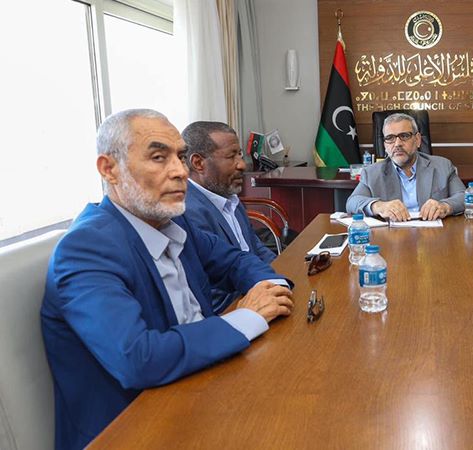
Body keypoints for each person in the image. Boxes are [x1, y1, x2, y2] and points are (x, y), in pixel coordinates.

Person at [41, 109, 294, 450]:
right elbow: (137, 359)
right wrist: (247, 316)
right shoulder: (86, 249)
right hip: (138, 429)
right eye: (159, 158)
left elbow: (235, 260)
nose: (180, 171)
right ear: (109, 169)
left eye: (180, 157)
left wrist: (273, 291)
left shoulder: (174, 221)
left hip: (207, 385)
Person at [181, 121, 277, 313]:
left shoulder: (228, 196)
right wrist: (258, 300)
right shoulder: (187, 212)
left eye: (240, 154)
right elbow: (210, 294)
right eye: (231, 156)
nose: (242, 164)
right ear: (198, 163)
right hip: (239, 309)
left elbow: (254, 246)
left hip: (261, 289)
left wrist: (282, 275)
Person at [345, 112, 466, 221]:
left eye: (404, 136)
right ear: (385, 145)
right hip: (392, 236)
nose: (397, 144)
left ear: (417, 140)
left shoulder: (442, 166)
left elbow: (464, 197)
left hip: (432, 234)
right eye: (390, 138)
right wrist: (378, 206)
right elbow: (352, 202)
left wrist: (444, 206)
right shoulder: (372, 173)